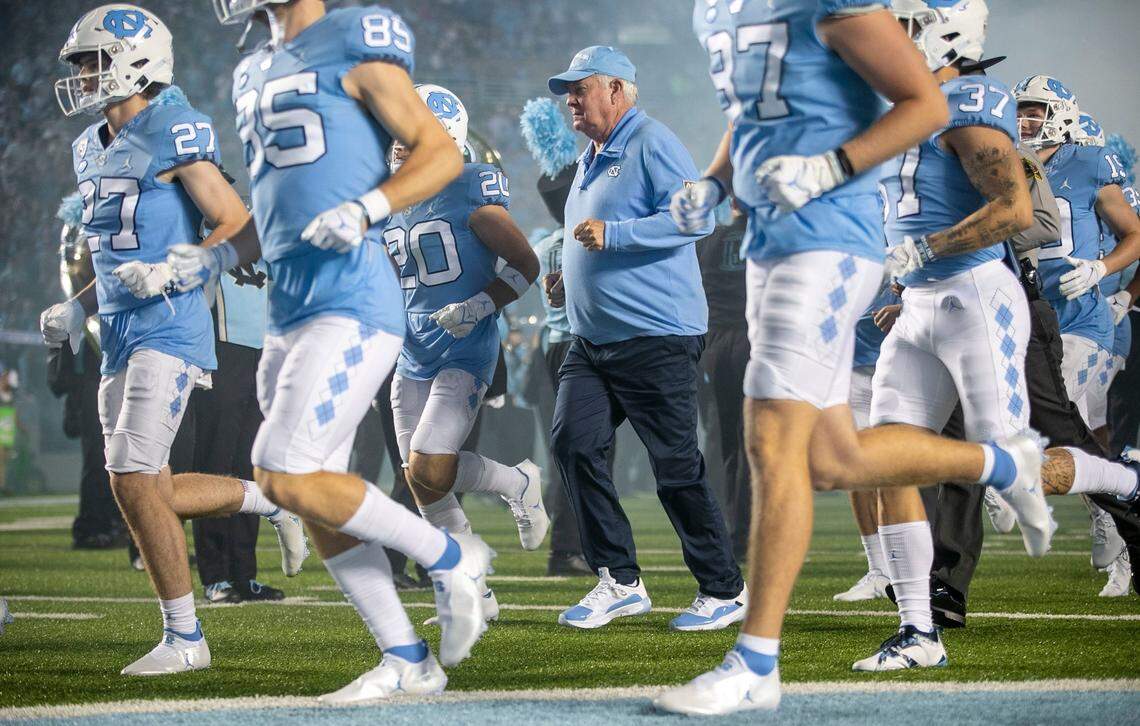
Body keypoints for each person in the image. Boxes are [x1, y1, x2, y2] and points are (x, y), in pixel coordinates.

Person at [656, 0, 1051, 714]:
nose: (904, 31)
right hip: (827, 261)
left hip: (888, 259)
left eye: (917, 22)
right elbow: (755, 116)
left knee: (776, 443)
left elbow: (946, 129)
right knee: (842, 458)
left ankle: (756, 661)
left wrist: (833, 174)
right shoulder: (718, 11)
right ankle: (944, 578)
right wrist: (715, 182)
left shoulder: (956, 89)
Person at [212, 0, 492, 703]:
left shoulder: (352, 36)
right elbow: (276, 202)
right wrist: (204, 259)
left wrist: (368, 208)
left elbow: (440, 151)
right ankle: (407, 657)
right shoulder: (253, 67)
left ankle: (452, 555)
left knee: (283, 468)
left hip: (351, 300)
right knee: (311, 495)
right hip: (289, 304)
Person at [38, 5, 305, 677]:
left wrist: (189, 264)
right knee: (138, 489)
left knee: (134, 475)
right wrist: (76, 308)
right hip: (120, 331)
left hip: (173, 326)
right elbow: (115, 256)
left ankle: (186, 638)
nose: (84, 76)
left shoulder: (173, 127)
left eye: (93, 61)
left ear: (136, 62)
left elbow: (242, 229)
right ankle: (269, 499)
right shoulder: (88, 147)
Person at [543, 45, 747, 633]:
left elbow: (698, 217)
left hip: (655, 336)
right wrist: (569, 281)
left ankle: (724, 589)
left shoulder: (651, 140)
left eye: (581, 89)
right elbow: (594, 237)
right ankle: (620, 581)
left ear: (618, 90)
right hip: (592, 341)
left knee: (676, 467)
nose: (572, 101)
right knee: (574, 445)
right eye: (568, 92)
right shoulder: (591, 155)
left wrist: (616, 233)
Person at [386, 85, 546, 610]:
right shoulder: (389, 201)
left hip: (463, 347)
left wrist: (478, 307)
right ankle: (474, 590)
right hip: (410, 351)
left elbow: (525, 266)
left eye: (410, 134)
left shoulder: (469, 187)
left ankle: (517, 481)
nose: (396, 145)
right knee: (422, 482)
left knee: (432, 465)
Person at [696, 203, 751, 562]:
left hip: (712, 343)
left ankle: (720, 531)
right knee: (754, 443)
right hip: (753, 338)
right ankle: (747, 530)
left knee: (719, 440)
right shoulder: (765, 233)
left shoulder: (707, 239)